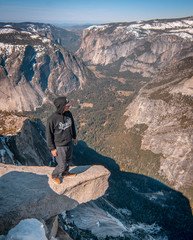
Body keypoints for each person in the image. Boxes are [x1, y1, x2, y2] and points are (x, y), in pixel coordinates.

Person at [46, 96, 78, 184]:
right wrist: (52, 148)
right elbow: (48, 135)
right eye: (67, 105)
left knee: (68, 160)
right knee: (61, 165)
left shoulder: (68, 114)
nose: (69, 106)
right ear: (62, 106)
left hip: (69, 142)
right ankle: (54, 175)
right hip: (60, 146)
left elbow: (72, 126)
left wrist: (74, 137)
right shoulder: (52, 119)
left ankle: (65, 173)